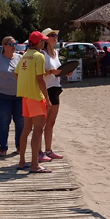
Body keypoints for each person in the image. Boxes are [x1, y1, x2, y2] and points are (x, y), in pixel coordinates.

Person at [14, 31, 51, 173]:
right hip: (36, 96)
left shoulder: (24, 56)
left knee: (26, 129)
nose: (44, 43)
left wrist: (26, 83)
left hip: (25, 96)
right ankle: (35, 164)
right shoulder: (39, 56)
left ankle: (22, 161)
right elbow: (40, 79)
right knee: (37, 130)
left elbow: (16, 74)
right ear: (38, 43)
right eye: (43, 41)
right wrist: (47, 99)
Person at [0, 36, 24, 157]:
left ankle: (19, 146)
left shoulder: (20, 58)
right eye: (12, 44)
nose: (14, 47)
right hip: (3, 96)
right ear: (4, 46)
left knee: (20, 121)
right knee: (4, 121)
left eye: (15, 44)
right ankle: (3, 148)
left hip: (19, 95)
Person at [39, 28, 65, 161]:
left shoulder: (56, 52)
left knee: (51, 122)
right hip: (45, 90)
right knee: (40, 123)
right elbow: (38, 75)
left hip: (55, 89)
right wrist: (51, 72)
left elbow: (57, 70)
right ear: (45, 39)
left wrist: (63, 72)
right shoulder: (42, 54)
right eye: (52, 35)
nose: (55, 37)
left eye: (55, 35)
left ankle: (48, 150)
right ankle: (39, 152)